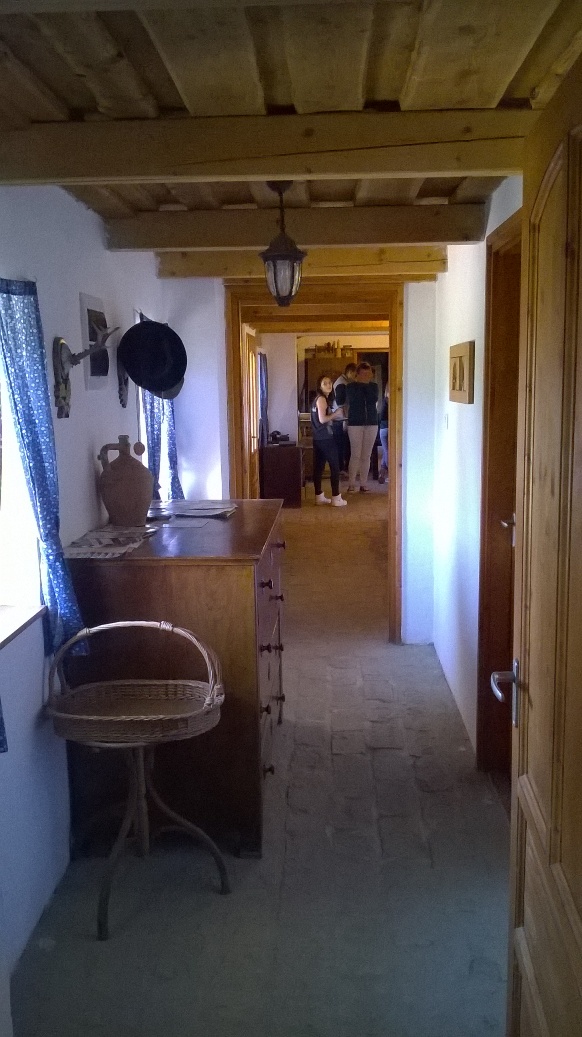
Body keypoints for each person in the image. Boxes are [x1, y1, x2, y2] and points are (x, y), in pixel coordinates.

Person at [310, 374, 347, 507]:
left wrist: (333, 415)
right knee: (335, 466)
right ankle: (336, 497)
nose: (328, 385)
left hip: (318, 437)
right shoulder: (321, 399)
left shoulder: (317, 399)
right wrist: (336, 414)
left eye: (330, 382)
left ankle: (319, 496)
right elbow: (322, 419)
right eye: (325, 383)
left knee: (319, 467)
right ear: (319, 386)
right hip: (326, 437)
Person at [343, 362, 379, 492]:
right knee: (355, 454)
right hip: (355, 424)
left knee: (366, 455)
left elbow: (372, 399)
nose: (366, 376)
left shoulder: (374, 386)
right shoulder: (351, 387)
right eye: (363, 373)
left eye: (368, 373)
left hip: (372, 423)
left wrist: (365, 385)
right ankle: (351, 483)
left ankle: (363, 484)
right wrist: (361, 385)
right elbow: (354, 399)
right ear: (357, 374)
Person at [332, 363, 356, 475]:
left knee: (343, 445)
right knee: (342, 445)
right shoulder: (341, 383)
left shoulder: (343, 382)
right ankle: (341, 469)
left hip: (342, 418)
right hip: (341, 420)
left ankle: (343, 468)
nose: (355, 377)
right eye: (354, 374)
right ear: (350, 372)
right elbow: (340, 402)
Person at [378, 383, 389, 484]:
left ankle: (382, 472)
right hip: (388, 428)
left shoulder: (383, 402)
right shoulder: (389, 403)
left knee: (386, 451)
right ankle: (390, 473)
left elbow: (380, 417)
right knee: (388, 452)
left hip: (382, 429)